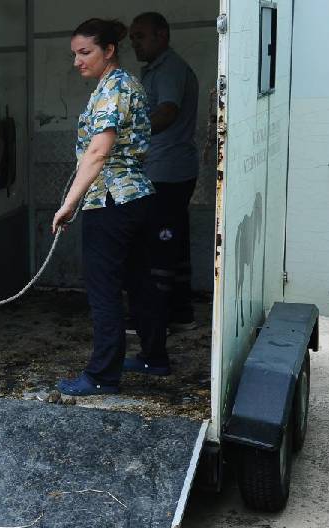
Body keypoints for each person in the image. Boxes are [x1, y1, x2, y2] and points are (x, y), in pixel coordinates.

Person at [52, 18, 167, 396]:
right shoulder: (124, 84)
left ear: (109, 50)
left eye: (85, 53)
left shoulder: (112, 89)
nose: (77, 61)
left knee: (104, 290)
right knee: (140, 282)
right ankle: (154, 357)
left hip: (111, 201)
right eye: (75, 54)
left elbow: (98, 152)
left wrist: (69, 204)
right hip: (137, 198)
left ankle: (102, 375)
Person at [130, 11, 199, 331]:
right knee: (174, 242)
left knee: (157, 244)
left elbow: (168, 111)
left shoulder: (169, 68)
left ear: (162, 35)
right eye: (132, 37)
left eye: (140, 36)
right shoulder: (156, 69)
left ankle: (153, 320)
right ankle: (181, 312)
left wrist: (130, 133)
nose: (135, 43)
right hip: (169, 169)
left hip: (166, 171)